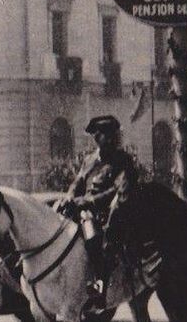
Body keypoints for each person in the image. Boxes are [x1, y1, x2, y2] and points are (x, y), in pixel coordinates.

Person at [55, 114, 138, 306]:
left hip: (109, 212)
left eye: (99, 135)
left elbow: (118, 189)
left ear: (110, 137)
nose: (96, 139)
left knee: (93, 238)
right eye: (95, 135)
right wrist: (69, 196)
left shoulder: (122, 160)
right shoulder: (90, 159)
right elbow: (78, 181)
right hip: (86, 208)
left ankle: (100, 287)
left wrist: (88, 201)